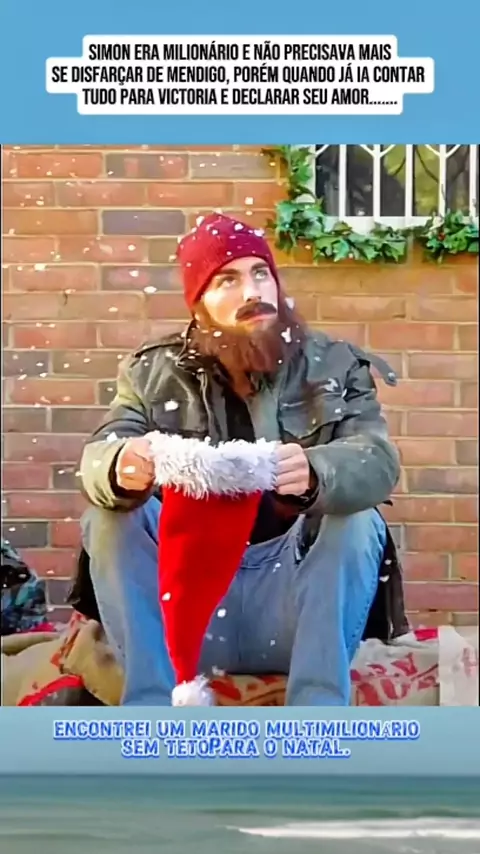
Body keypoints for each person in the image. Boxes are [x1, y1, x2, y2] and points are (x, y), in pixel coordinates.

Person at [72, 212, 409, 706]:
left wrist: (319, 473)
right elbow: (98, 456)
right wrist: (120, 464)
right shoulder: (152, 372)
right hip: (188, 613)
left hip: (293, 607)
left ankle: (316, 714)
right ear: (198, 302)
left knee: (356, 516)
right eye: (227, 279)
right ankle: (152, 709)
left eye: (260, 273)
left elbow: (376, 459)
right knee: (108, 515)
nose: (253, 291)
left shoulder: (334, 365)